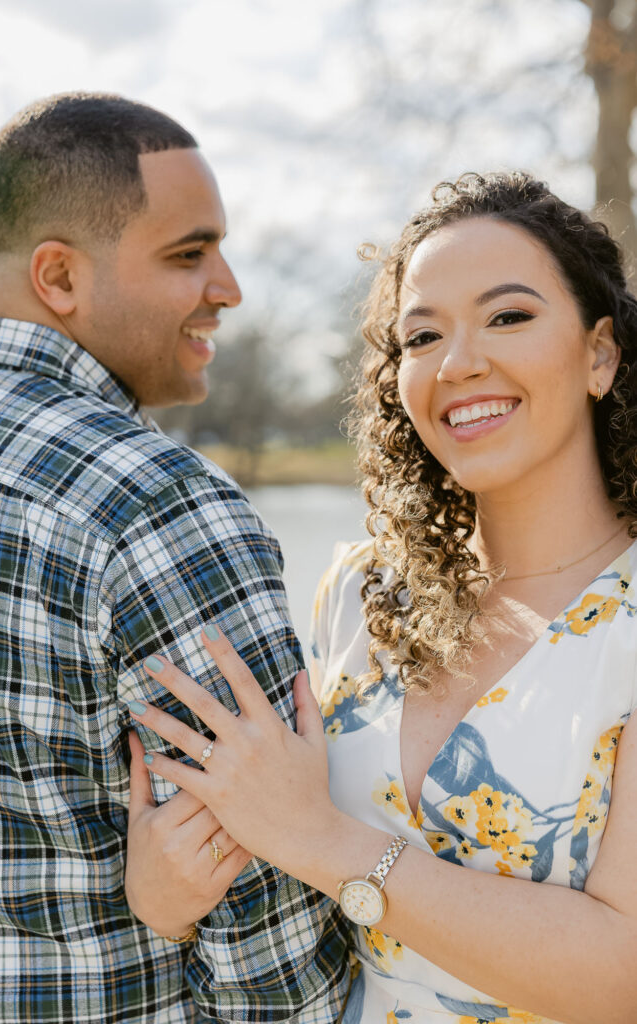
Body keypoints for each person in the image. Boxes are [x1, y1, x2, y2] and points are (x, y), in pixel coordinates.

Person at [126, 172, 637, 1023]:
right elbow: (287, 860)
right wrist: (167, 894)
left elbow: (625, 975)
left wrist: (324, 843)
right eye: (421, 336)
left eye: (508, 316)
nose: (458, 362)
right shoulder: (362, 595)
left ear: (600, 354)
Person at [0, 92, 350, 1024]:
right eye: (189, 254)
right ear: (59, 276)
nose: (230, 287)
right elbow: (272, 949)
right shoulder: (154, 506)